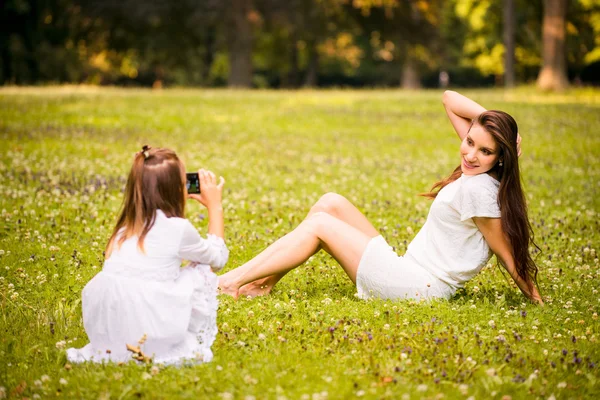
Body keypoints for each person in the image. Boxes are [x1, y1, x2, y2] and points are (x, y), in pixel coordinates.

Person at [219, 91, 543, 304]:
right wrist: (502, 128)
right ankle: (262, 284)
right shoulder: (481, 168)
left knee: (320, 224)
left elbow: (507, 255)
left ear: (500, 158)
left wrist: (535, 299)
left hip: (419, 289)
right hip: (408, 271)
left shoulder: (478, 190)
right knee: (330, 203)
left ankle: (231, 282)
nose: (470, 154)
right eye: (470, 141)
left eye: (485, 150)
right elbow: (449, 99)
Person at [67, 146, 229, 364]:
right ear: (175, 190)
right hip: (152, 325)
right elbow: (217, 258)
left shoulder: (124, 229)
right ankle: (163, 344)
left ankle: (124, 348)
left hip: (110, 330)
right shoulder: (178, 229)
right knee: (201, 268)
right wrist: (215, 205)